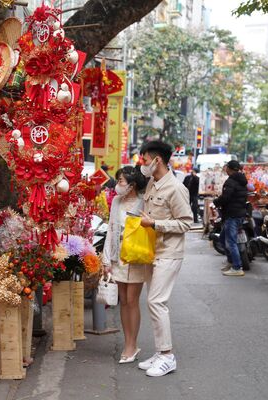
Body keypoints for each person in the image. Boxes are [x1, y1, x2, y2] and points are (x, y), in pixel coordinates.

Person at [137, 140, 192, 377]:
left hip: (169, 252)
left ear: (157, 160)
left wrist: (155, 223)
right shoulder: (152, 182)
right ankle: (160, 353)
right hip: (152, 250)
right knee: (154, 301)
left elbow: (186, 222)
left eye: (145, 160)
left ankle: (168, 356)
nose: (143, 164)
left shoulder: (176, 188)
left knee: (156, 302)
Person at [102, 166, 150, 364]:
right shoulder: (115, 201)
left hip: (136, 256)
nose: (118, 185)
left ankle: (133, 344)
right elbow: (111, 230)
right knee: (123, 299)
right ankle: (128, 343)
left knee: (132, 300)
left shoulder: (144, 201)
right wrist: (106, 259)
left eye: (121, 181)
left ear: (132, 185)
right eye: (119, 180)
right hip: (118, 255)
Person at [214, 160, 248, 277]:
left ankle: (237, 267)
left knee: (231, 242)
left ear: (230, 168)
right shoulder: (241, 180)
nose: (225, 169)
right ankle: (231, 261)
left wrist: (216, 202)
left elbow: (225, 198)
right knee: (223, 239)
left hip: (232, 215)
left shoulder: (231, 181)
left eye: (227, 167)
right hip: (239, 213)